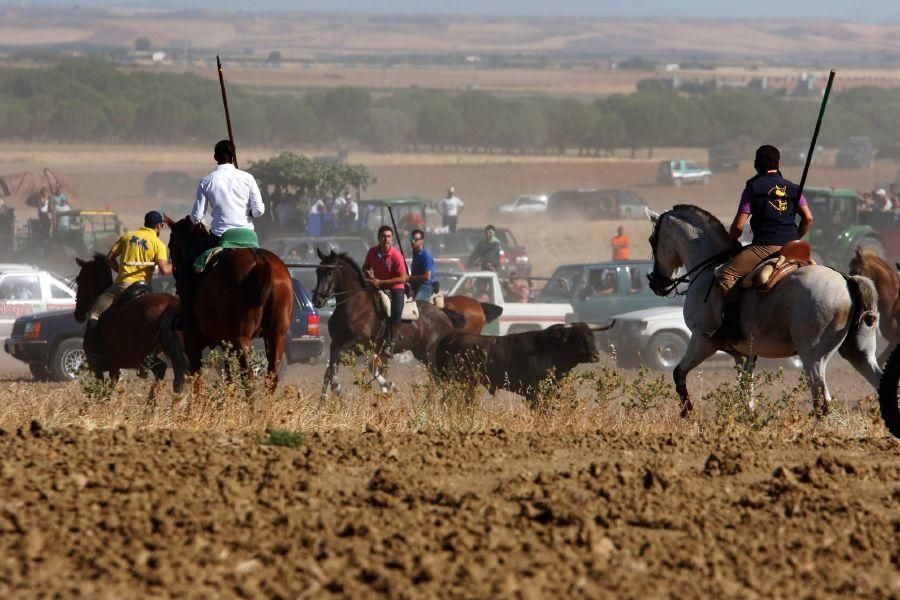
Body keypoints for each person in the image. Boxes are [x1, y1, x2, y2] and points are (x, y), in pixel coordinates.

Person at [706, 144, 814, 340]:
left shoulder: (753, 188)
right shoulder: (793, 188)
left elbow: (738, 226)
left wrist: (732, 242)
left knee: (725, 274)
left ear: (756, 165)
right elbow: (808, 219)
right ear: (778, 163)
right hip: (794, 248)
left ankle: (731, 328)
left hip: (765, 247)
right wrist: (796, 239)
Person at [177, 140, 265, 332]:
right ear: (233, 157)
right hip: (249, 237)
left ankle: (188, 319)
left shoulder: (207, 181)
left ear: (215, 157)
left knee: (185, 269)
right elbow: (259, 211)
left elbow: (196, 217)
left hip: (221, 236)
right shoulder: (248, 178)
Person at [85, 211, 173, 366]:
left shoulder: (127, 236)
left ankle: (95, 352)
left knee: (94, 313)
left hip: (123, 286)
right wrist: (177, 265)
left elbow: (109, 258)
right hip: (144, 288)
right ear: (159, 226)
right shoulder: (158, 244)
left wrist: (120, 271)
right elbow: (165, 270)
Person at [363, 225, 407, 358]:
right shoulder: (372, 252)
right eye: (383, 236)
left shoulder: (396, 255)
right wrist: (368, 273)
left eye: (388, 236)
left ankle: (391, 344)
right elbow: (365, 267)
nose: (386, 239)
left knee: (396, 312)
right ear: (378, 238)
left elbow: (402, 278)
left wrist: (380, 282)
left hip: (395, 288)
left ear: (392, 239)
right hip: (377, 286)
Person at [407, 229, 435, 302]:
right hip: (415, 285)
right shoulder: (414, 253)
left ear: (422, 241)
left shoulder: (426, 256)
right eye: (411, 239)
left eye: (415, 240)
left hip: (425, 286)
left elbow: (427, 277)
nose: (412, 242)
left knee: (416, 303)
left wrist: (410, 278)